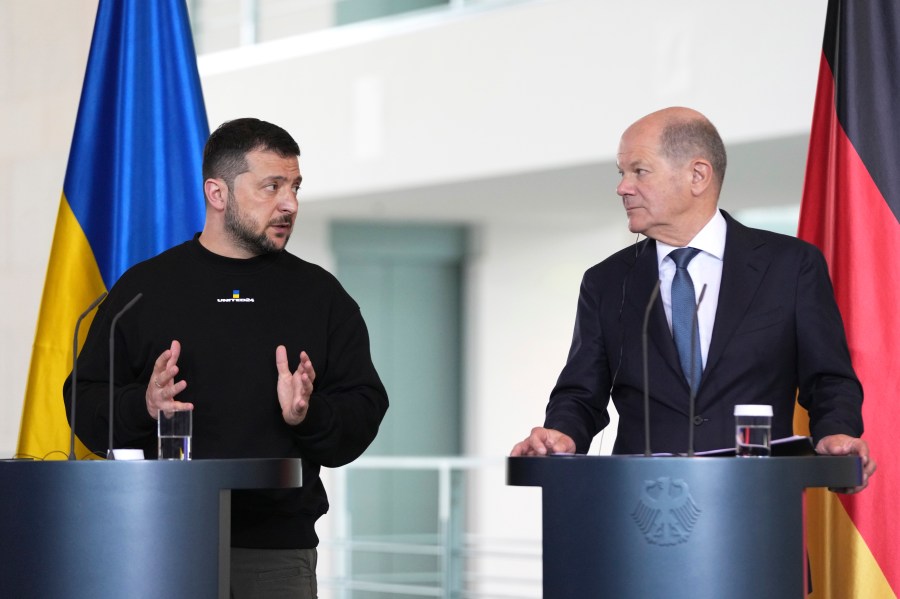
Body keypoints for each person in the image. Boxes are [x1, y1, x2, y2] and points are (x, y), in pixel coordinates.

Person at [64, 117, 389, 597]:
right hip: (155, 541)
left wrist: (308, 413)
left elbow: (364, 411)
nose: (290, 204)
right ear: (218, 194)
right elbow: (83, 401)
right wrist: (144, 406)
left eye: (295, 186)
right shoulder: (144, 289)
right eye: (271, 186)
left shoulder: (321, 296)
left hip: (276, 556)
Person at [510, 107, 875, 493]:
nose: (623, 187)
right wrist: (561, 434)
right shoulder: (606, 281)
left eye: (639, 171)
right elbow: (581, 393)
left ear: (697, 175)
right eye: (622, 173)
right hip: (642, 509)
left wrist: (836, 433)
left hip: (757, 507)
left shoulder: (790, 266)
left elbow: (828, 379)